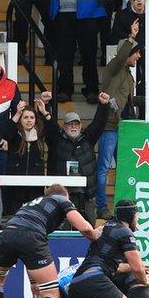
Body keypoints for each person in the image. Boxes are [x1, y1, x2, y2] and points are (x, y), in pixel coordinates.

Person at [0, 184, 98, 298]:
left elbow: (24, 250)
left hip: (8, 232)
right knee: (52, 294)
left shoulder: (30, 204)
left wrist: (33, 281)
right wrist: (97, 237)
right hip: (32, 235)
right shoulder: (61, 199)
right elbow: (85, 228)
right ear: (64, 196)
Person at [68, 200, 149, 298]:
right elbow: (137, 268)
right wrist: (145, 281)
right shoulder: (125, 232)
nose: (138, 219)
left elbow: (112, 264)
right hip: (95, 280)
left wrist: (131, 267)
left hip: (77, 282)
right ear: (131, 216)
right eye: (137, 216)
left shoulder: (103, 227)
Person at [97, 24, 143, 220]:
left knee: (125, 168)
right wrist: (131, 37)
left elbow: (129, 100)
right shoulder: (113, 69)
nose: (139, 57)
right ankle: (100, 206)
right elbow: (121, 57)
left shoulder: (128, 76)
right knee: (104, 167)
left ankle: (122, 208)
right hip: (109, 126)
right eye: (136, 53)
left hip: (124, 127)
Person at [44, 92, 110, 226]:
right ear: (64, 126)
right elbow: (49, 127)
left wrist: (104, 106)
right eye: (70, 124)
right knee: (60, 233)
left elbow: (99, 124)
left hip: (86, 197)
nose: (73, 127)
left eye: (76, 124)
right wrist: (46, 106)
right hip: (62, 197)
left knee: (88, 231)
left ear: (80, 126)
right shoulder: (56, 141)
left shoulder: (88, 139)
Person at [49, 0, 106, 104]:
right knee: (64, 55)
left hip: (88, 13)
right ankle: (65, 89)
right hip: (62, 12)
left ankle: (92, 89)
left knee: (88, 54)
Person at [4, 100, 46, 215]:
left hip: (35, 188)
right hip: (15, 187)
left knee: (34, 218)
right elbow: (6, 134)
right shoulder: (15, 134)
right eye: (25, 117)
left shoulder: (40, 134)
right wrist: (17, 114)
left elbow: (54, 132)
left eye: (32, 117)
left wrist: (44, 112)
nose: (29, 120)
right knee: (13, 217)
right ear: (20, 120)